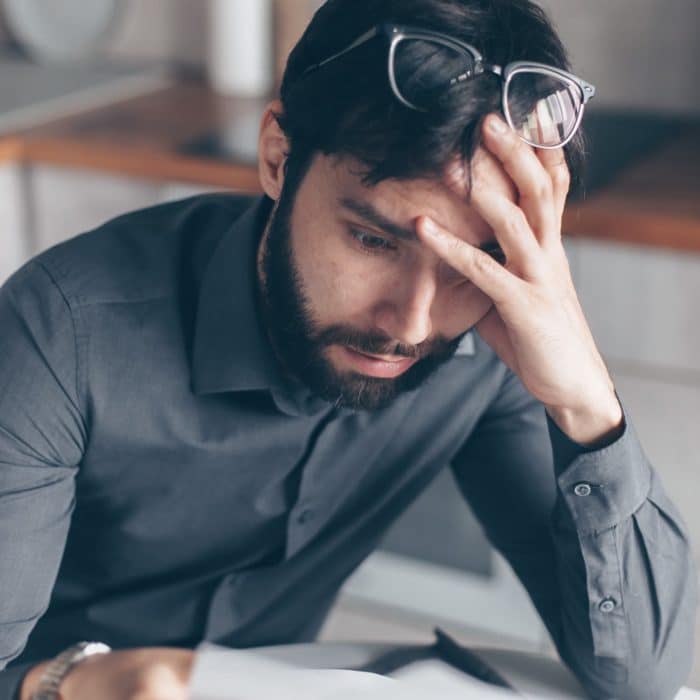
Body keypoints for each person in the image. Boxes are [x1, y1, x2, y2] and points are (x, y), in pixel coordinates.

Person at [0, 0, 695, 698]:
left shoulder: (489, 348)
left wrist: (586, 403)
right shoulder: (61, 335)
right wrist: (70, 681)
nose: (414, 324)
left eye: (471, 265)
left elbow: (642, 677)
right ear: (278, 157)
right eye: (372, 240)